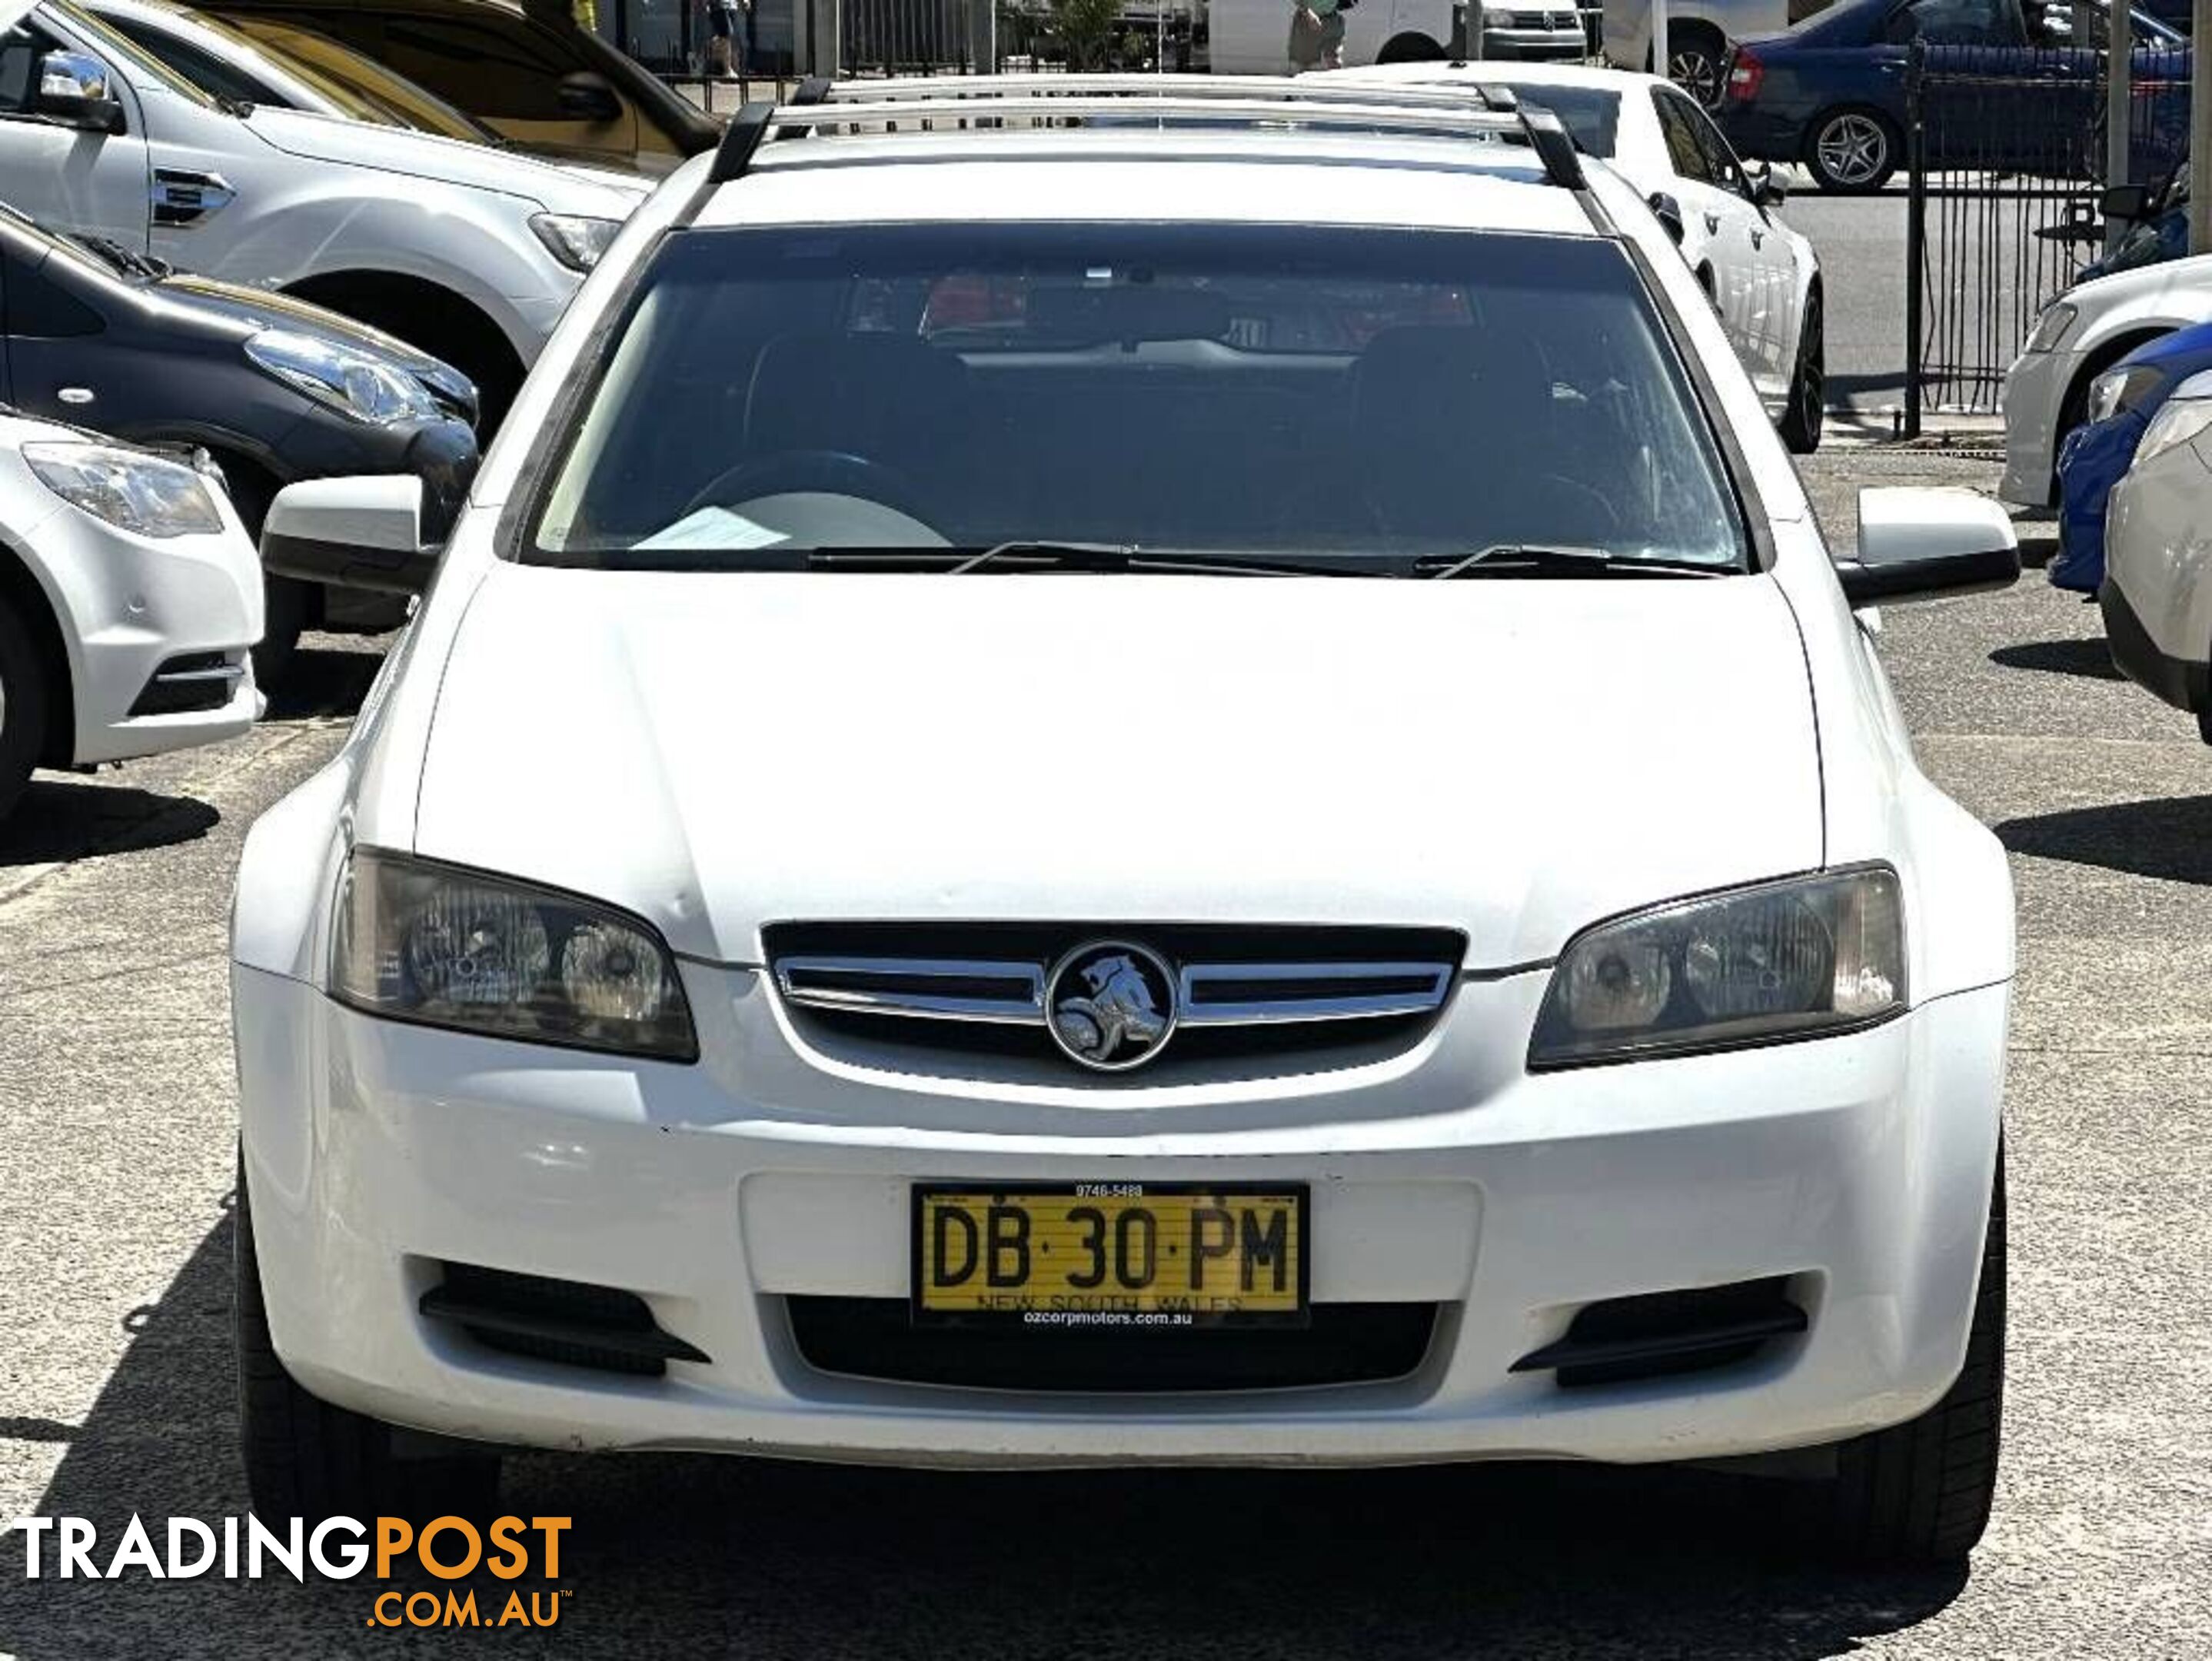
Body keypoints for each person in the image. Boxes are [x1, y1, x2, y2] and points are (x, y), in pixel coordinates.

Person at [1288, 0, 1345, 73]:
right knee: (1304, 65)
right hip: (1307, 19)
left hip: (1332, 18)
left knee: (1334, 60)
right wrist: (1307, 12)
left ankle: (1337, 82)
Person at [704, 0, 747, 76]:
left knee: (728, 38)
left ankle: (727, 66)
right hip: (720, 6)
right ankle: (727, 69)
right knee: (726, 37)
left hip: (732, 6)